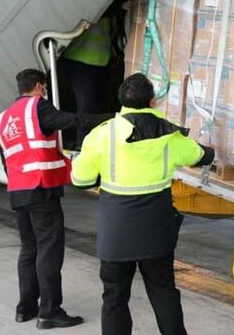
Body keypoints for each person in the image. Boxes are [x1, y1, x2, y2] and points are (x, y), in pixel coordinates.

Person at [70, 73, 215, 335]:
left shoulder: (101, 135)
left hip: (116, 232)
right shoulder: (169, 135)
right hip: (156, 230)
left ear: (121, 101)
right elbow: (200, 155)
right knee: (164, 293)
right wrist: (211, 150)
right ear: (152, 101)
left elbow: (80, 179)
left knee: (114, 297)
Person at [0, 69, 112, 329]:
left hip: (17, 191)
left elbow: (7, 160)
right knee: (49, 250)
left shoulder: (2, 119)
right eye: (44, 88)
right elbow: (72, 121)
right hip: (41, 189)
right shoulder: (37, 107)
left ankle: (25, 309)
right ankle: (49, 311)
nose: (45, 92)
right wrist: (111, 119)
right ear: (39, 86)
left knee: (29, 249)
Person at [60, 16, 113, 146]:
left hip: (96, 59)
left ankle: (83, 142)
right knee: (86, 107)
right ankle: (82, 144)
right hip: (82, 57)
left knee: (90, 106)